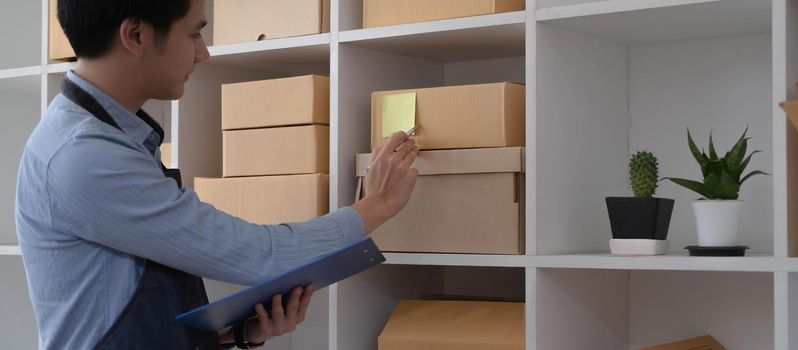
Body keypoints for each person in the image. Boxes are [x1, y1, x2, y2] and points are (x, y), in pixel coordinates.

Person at [15, 0, 419, 348]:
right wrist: (377, 204)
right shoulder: (85, 156)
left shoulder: (104, 137)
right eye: (193, 34)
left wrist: (234, 332)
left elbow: (110, 303)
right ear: (135, 35)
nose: (203, 53)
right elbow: (263, 255)